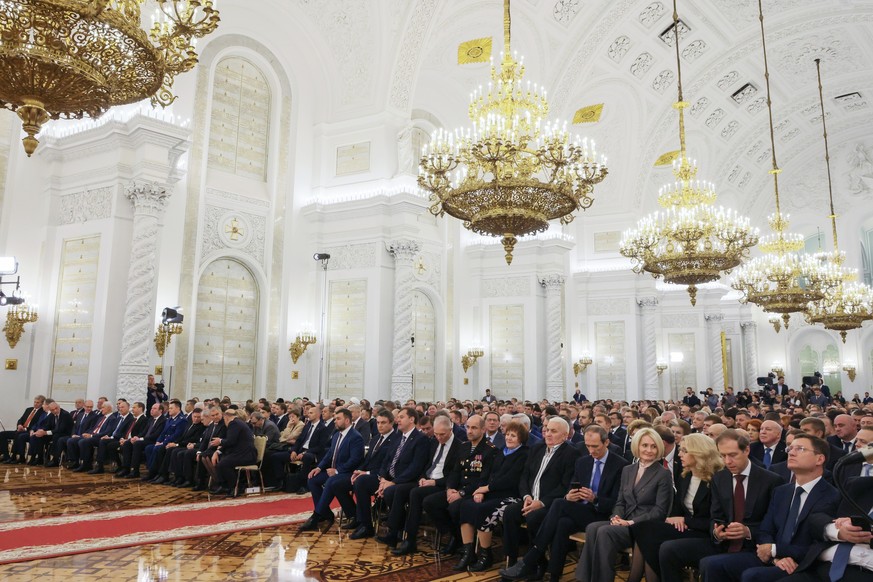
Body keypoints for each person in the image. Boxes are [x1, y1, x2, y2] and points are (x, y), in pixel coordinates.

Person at [699, 434, 839, 582]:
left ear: (820, 459)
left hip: (804, 563)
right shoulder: (782, 491)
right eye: (790, 448)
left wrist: (775, 550)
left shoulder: (831, 496)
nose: (791, 452)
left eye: (800, 449)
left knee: (753, 576)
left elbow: (820, 545)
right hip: (771, 556)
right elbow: (766, 529)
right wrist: (774, 556)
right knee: (711, 564)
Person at [501, 425, 628, 582]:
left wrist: (594, 499)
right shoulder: (583, 462)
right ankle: (554, 575)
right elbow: (571, 487)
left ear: (606, 442)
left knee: (559, 505)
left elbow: (617, 502)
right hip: (581, 510)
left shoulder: (620, 465)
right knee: (562, 523)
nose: (591, 451)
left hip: (602, 513)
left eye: (595, 446)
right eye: (587, 446)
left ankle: (531, 557)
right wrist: (570, 496)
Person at [658, 430, 785, 582]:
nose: (727, 461)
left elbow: (775, 524)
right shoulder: (720, 478)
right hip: (723, 543)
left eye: (732, 455)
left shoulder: (770, 480)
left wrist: (748, 531)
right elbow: (715, 516)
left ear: (747, 450)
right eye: (723, 456)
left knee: (710, 564)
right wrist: (717, 532)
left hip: (753, 546)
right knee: (668, 549)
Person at [575, 427, 675, 582]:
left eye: (653, 446)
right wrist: (616, 517)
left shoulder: (663, 474)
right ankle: (585, 579)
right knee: (593, 527)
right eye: (645, 445)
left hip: (643, 526)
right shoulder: (628, 469)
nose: (649, 450)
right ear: (637, 446)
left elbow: (660, 511)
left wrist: (629, 522)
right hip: (624, 521)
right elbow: (620, 501)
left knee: (604, 532)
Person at [628, 434, 723, 582]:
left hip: (706, 534)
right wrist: (675, 519)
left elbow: (715, 521)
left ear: (699, 452)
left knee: (658, 542)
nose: (679, 454)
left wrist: (685, 520)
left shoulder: (717, 479)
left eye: (684, 451)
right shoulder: (685, 476)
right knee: (642, 528)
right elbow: (678, 508)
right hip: (685, 528)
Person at [500, 417, 580, 574]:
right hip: (529, 500)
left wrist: (541, 502)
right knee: (509, 512)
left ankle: (535, 563)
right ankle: (513, 560)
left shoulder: (571, 454)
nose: (548, 434)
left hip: (550, 504)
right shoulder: (536, 448)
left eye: (553, 431)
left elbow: (564, 487)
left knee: (534, 517)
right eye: (547, 429)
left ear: (565, 435)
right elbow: (524, 477)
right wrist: (526, 497)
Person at [456, 420, 529, 571]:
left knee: (484, 510)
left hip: (511, 495)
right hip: (492, 491)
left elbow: (511, 480)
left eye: (513, 436)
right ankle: (468, 552)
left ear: (521, 438)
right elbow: (491, 474)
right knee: (466, 505)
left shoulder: (524, 454)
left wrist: (486, 489)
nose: (508, 438)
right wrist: (481, 491)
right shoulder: (502, 451)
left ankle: (485, 555)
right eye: (507, 434)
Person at [389, 414, 463, 555]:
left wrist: (434, 482)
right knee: (400, 489)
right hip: (428, 480)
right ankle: (395, 531)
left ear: (451, 429)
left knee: (416, 494)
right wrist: (423, 477)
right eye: (436, 434)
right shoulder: (433, 442)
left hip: (443, 484)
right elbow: (427, 465)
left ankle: (410, 540)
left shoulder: (459, 446)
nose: (439, 437)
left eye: (442, 434)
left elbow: (454, 475)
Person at [300, 408, 365, 531]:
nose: (335, 421)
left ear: (347, 420)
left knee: (331, 481)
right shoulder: (336, 435)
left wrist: (337, 471)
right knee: (312, 479)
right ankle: (326, 513)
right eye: (335, 419)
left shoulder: (356, 437)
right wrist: (319, 467)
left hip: (349, 473)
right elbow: (330, 454)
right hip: (335, 471)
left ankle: (316, 516)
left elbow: (355, 460)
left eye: (338, 419)